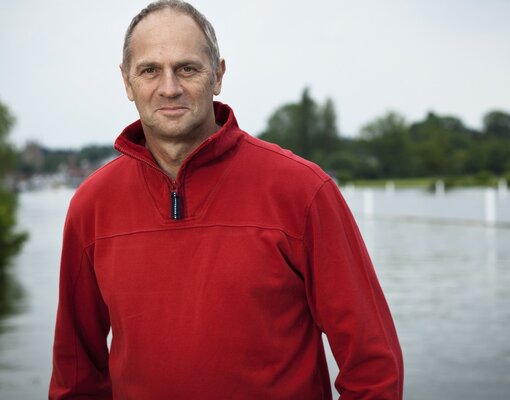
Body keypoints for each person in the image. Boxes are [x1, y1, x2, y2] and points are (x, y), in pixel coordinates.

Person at [49, 1, 403, 399]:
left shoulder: (303, 190)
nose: (169, 87)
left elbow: (373, 368)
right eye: (150, 70)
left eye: (188, 68)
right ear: (127, 82)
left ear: (217, 75)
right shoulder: (91, 206)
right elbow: (75, 375)